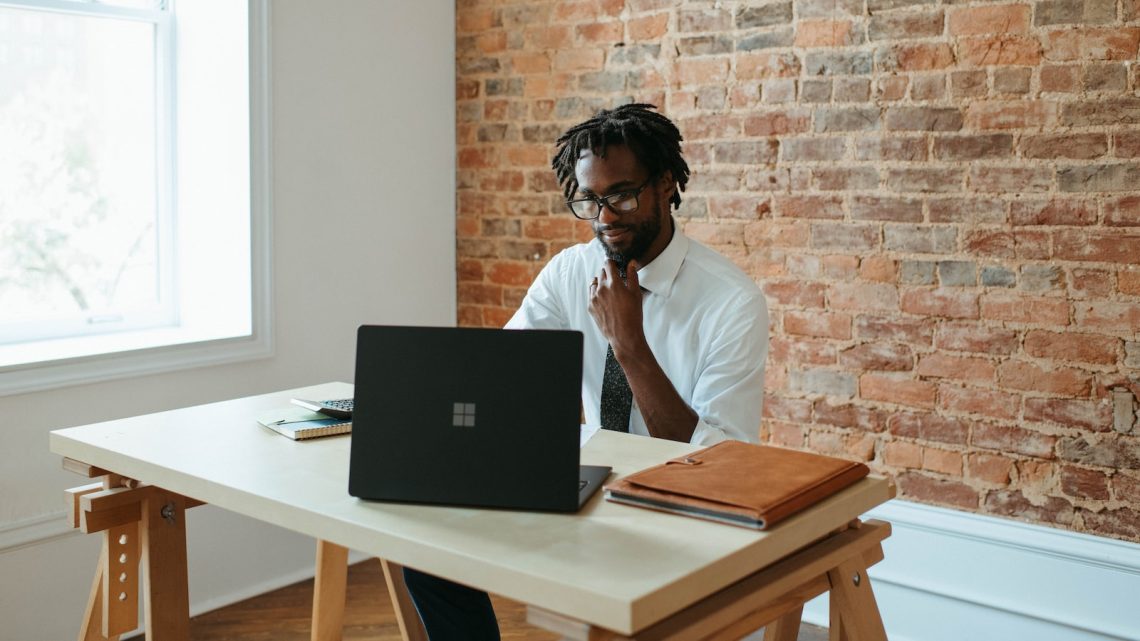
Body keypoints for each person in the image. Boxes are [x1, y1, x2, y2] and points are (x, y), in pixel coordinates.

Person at [402, 103, 769, 640]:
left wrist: (628, 344)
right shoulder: (570, 273)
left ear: (666, 184)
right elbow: (500, 376)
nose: (605, 217)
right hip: (587, 485)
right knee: (426, 549)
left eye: (621, 195)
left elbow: (718, 463)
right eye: (589, 200)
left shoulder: (731, 302)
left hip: (678, 509)